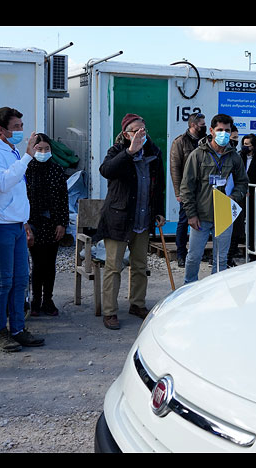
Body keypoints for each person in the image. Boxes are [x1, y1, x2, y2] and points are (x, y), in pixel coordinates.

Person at [0, 106, 44, 352]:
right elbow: (4, 183)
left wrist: (24, 222)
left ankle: (17, 329)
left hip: (15, 224)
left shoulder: (12, 150)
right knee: (3, 281)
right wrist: (27, 156)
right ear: (1, 130)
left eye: (21, 126)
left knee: (19, 280)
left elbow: (18, 190)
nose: (21, 131)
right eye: (16, 127)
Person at [96, 114, 166, 330]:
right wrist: (129, 152)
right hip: (119, 219)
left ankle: (137, 304)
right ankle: (110, 311)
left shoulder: (153, 151)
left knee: (140, 265)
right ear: (126, 134)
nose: (140, 133)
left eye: (143, 129)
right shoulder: (117, 151)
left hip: (143, 219)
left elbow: (159, 184)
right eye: (135, 130)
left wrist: (160, 211)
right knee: (113, 267)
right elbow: (105, 170)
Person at [180, 113, 248, 284]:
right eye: (219, 130)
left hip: (224, 215)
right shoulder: (197, 155)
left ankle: (216, 293)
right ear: (211, 131)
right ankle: (189, 289)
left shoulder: (234, 157)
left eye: (227, 130)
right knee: (194, 257)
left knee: (221, 260)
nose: (223, 133)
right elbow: (187, 186)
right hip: (201, 216)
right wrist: (191, 214)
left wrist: (233, 197)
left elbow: (242, 182)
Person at [25, 133, 69, 316]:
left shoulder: (57, 170)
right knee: (37, 263)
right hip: (33, 223)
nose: (43, 152)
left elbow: (63, 199)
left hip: (53, 223)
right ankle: (35, 300)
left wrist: (62, 223)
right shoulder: (27, 170)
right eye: (39, 149)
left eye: (46, 149)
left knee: (50, 264)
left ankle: (48, 300)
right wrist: (26, 225)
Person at [170, 112, 206, 267]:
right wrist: (178, 192)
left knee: (204, 220)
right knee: (184, 221)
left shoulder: (205, 141)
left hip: (204, 189)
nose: (204, 127)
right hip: (187, 189)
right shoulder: (180, 142)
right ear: (193, 125)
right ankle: (181, 254)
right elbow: (175, 168)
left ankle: (199, 252)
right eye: (202, 124)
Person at [230, 133, 256, 263]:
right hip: (241, 195)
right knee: (237, 223)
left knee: (254, 223)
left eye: (247, 144)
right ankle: (233, 252)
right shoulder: (239, 156)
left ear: (254, 146)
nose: (244, 146)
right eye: (244, 143)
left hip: (255, 196)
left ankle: (254, 251)